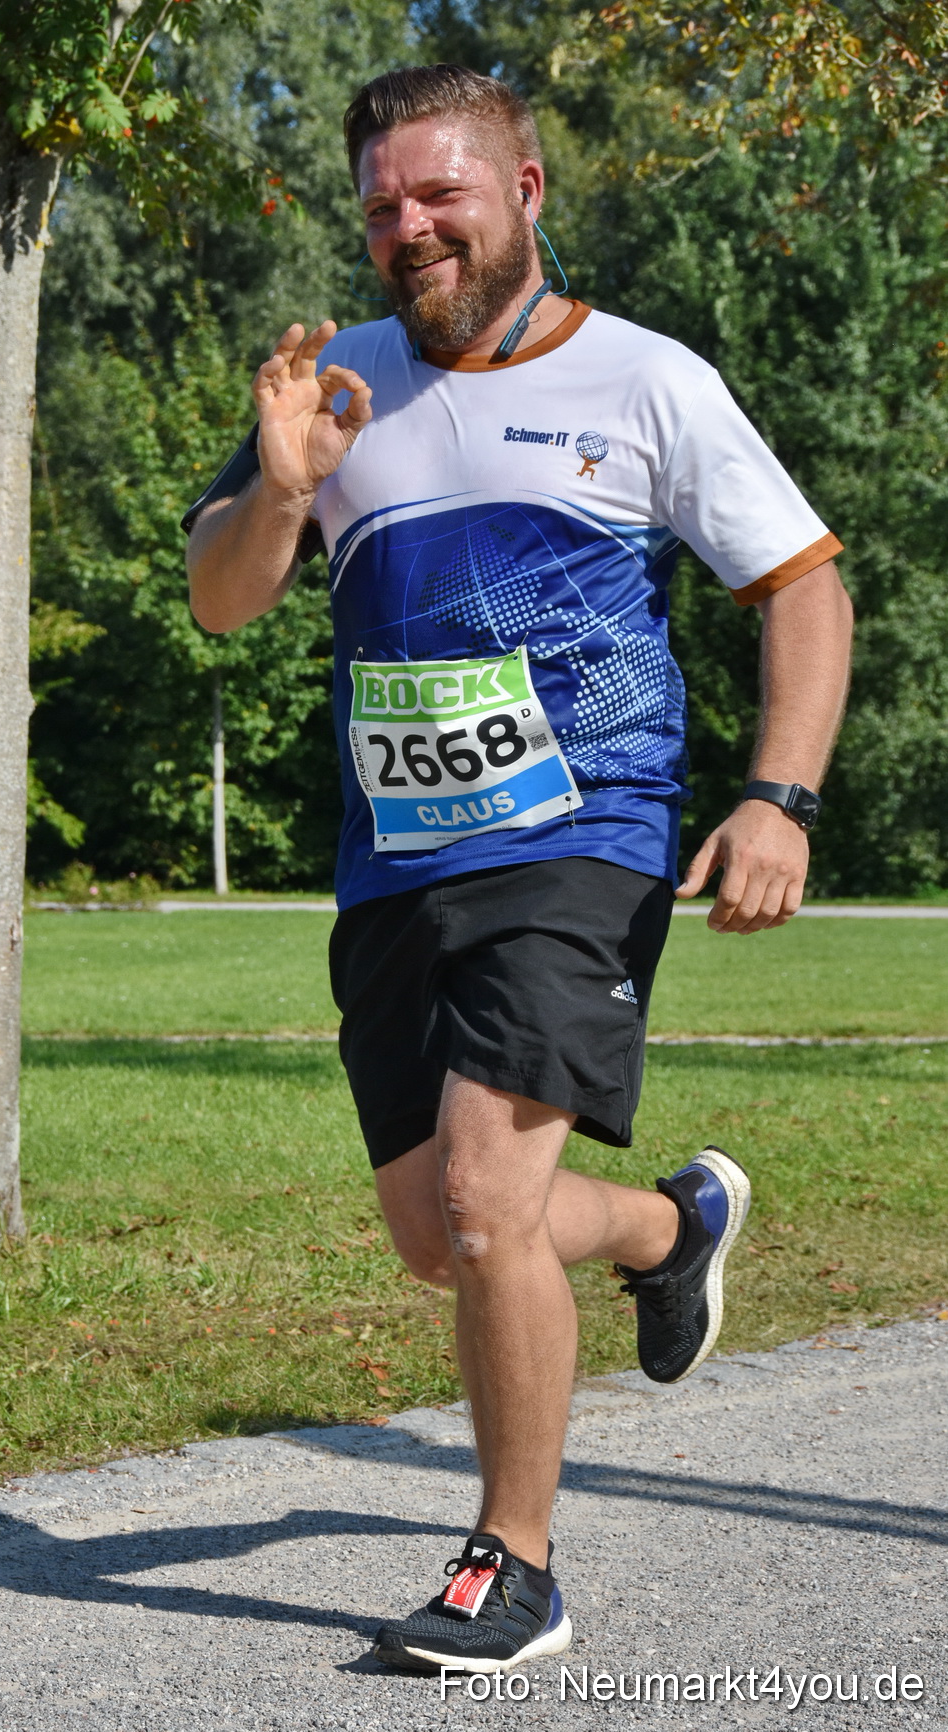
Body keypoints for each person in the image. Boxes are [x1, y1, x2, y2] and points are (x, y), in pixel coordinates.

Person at [183, 63, 854, 1675]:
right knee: (445, 1234)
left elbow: (803, 585)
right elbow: (219, 601)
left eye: (439, 195)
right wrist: (279, 486)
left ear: (527, 192)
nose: (408, 228)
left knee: (489, 1199)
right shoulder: (328, 382)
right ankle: (662, 1229)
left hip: (584, 833)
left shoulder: (647, 381)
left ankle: (516, 1563)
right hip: (394, 864)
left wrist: (782, 798)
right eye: (381, 207)